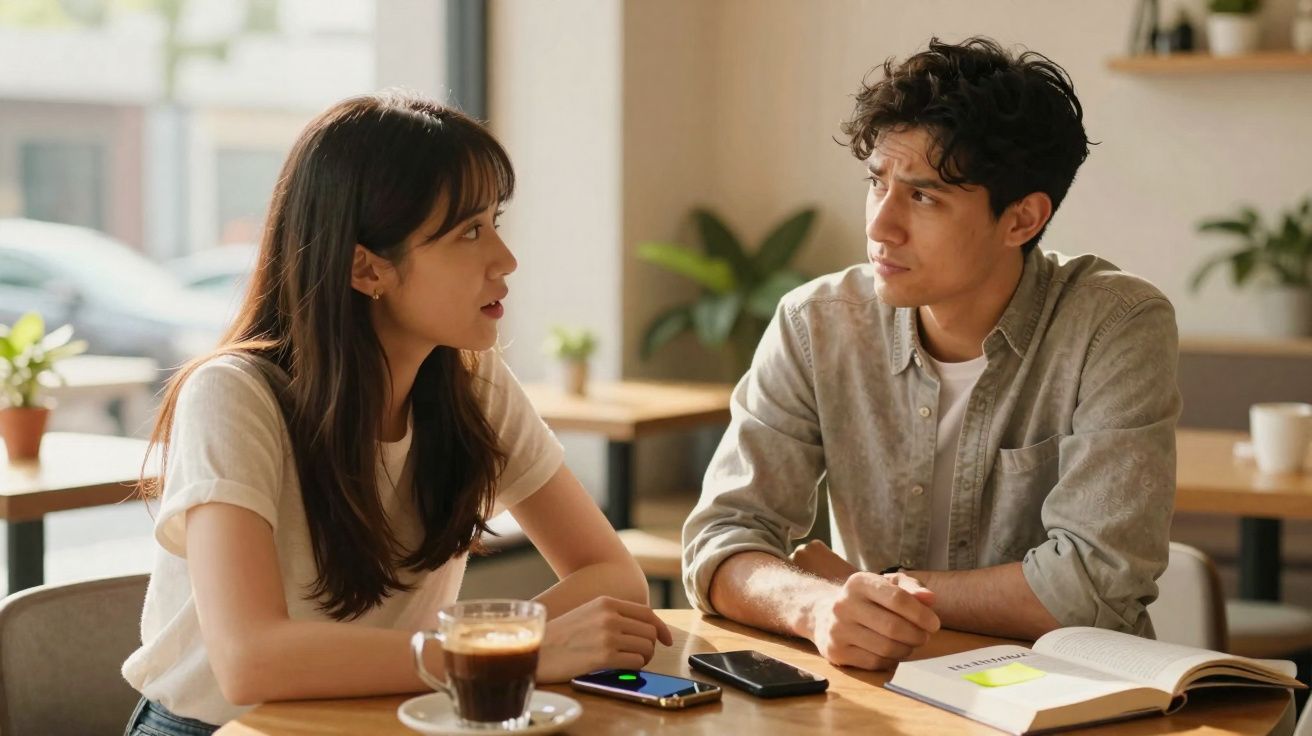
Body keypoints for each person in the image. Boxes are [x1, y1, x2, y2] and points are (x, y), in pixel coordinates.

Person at [122, 91, 671, 734]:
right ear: (366, 269)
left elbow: (613, 576)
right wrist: (506, 654)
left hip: (387, 715)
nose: (506, 259)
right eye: (469, 232)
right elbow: (250, 661)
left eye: (495, 221)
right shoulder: (234, 395)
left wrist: (499, 653)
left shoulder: (470, 380)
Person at [682, 36, 1180, 672]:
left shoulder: (1114, 325)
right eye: (877, 183)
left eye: (922, 197)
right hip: (882, 689)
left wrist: (870, 586)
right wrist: (816, 606)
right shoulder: (816, 324)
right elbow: (719, 541)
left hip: (1068, 694)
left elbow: (1092, 586)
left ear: (1022, 220)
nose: (879, 227)